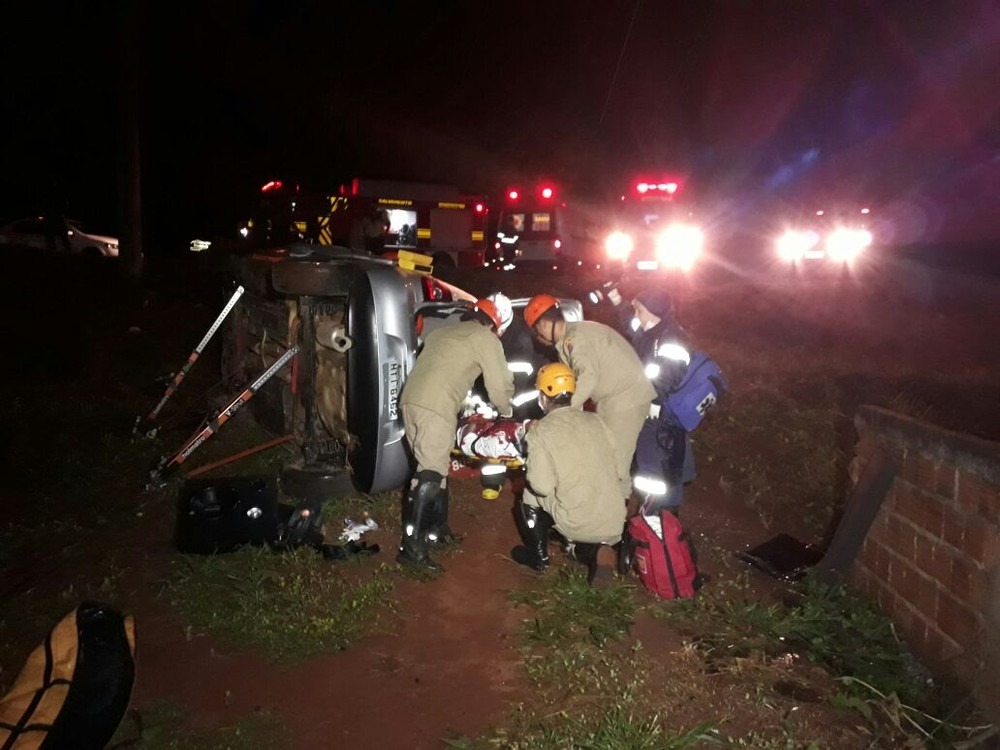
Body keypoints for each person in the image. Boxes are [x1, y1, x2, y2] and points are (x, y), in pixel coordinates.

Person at [398, 298, 515, 570]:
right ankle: (411, 549)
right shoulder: (486, 339)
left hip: (410, 402)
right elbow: (499, 384)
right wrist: (506, 411)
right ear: (495, 325)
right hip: (435, 407)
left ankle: (437, 530)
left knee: (433, 468)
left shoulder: (443, 332)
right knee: (430, 475)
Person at [522, 294, 654, 504]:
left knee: (615, 463)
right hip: (614, 399)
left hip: (625, 399)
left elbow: (588, 377)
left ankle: (617, 518)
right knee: (603, 455)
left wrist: (561, 414)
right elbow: (571, 386)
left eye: (536, 330)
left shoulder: (575, 339)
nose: (538, 338)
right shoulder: (572, 337)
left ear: (545, 324)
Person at [511, 363, 627, 584]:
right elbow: (619, 469)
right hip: (614, 520)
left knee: (530, 494)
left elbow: (541, 486)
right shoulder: (597, 421)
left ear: (543, 396)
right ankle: (595, 550)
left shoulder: (541, 430)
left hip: (577, 520)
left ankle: (539, 557)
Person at [621, 288, 697, 516]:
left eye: (639, 309)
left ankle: (662, 518)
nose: (635, 314)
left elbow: (670, 373)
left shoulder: (671, 337)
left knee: (659, 470)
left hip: (661, 417)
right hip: (649, 413)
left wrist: (654, 402)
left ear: (653, 311)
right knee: (651, 470)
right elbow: (626, 321)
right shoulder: (648, 329)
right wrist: (616, 297)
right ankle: (653, 513)